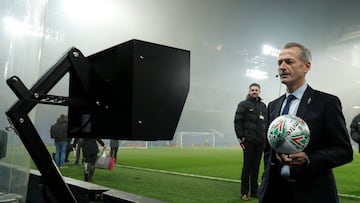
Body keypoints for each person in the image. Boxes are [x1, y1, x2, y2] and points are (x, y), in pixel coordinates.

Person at [259, 42, 353, 203]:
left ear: (306, 66)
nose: (282, 67)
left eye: (289, 62)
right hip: (274, 193)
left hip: (312, 192)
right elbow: (268, 151)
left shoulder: (326, 103)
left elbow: (344, 151)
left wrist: (309, 159)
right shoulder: (273, 106)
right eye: (279, 62)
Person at [234, 83, 267, 201]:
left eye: (256, 90)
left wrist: (265, 137)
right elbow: (237, 121)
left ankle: (254, 191)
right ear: (249, 91)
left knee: (256, 167)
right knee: (247, 167)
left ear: (259, 91)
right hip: (249, 141)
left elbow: (266, 123)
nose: (254, 91)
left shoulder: (263, 106)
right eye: (252, 90)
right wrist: (241, 137)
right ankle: (244, 192)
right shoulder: (243, 105)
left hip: (260, 141)